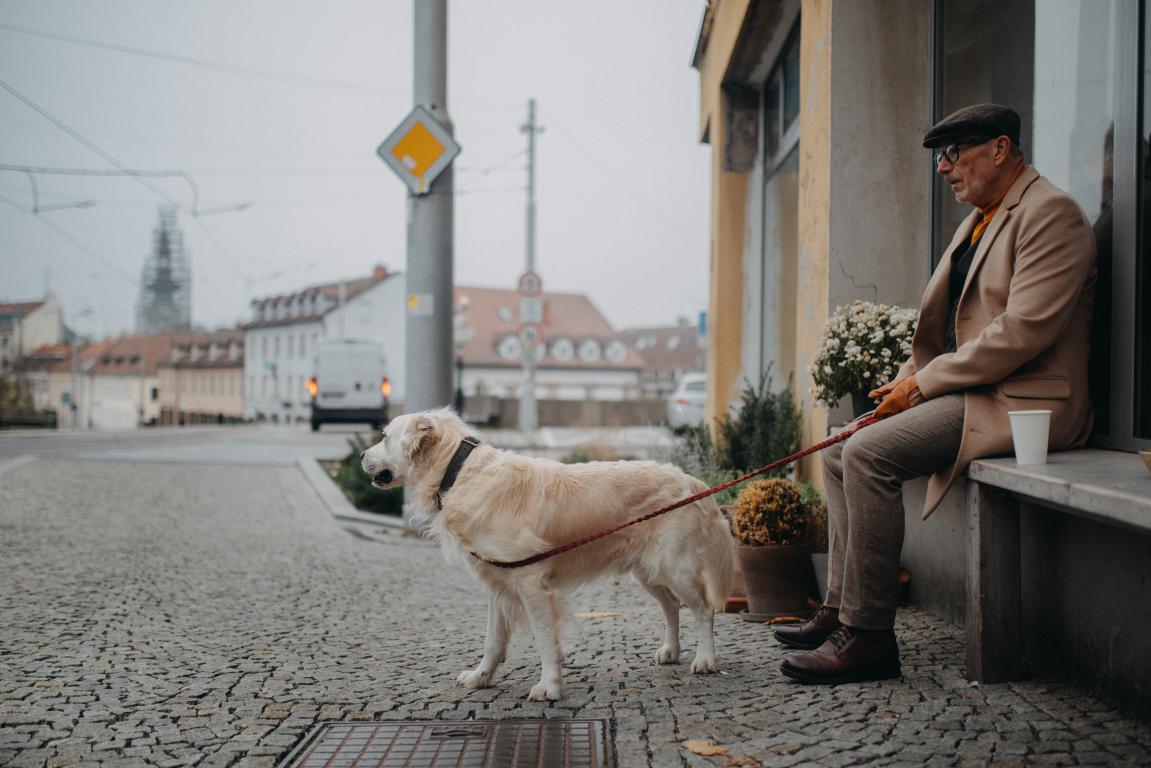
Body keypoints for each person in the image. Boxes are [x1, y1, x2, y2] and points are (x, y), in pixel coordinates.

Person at [776, 103, 1097, 684]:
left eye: (953, 154)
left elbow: (1021, 332)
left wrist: (921, 386)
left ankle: (869, 637)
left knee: (868, 454)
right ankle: (840, 607)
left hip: (1024, 402)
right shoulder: (977, 221)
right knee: (837, 445)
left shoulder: (1051, 214)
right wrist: (903, 384)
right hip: (976, 390)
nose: (943, 169)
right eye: (940, 158)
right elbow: (946, 333)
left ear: (1000, 149)